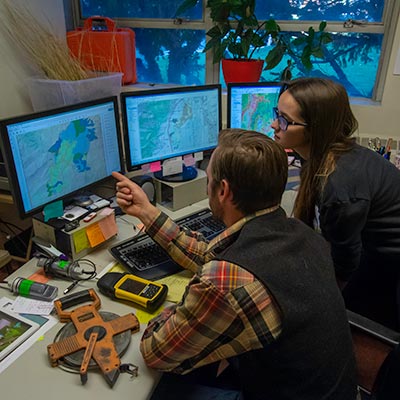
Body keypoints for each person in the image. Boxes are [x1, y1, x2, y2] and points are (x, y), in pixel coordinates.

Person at [112, 129, 357, 400]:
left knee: (156, 391)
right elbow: (209, 254)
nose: (207, 184)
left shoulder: (226, 283)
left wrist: (181, 305)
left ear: (223, 190)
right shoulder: (299, 233)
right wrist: (147, 212)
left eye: (209, 178)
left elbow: (156, 352)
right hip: (328, 388)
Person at [271, 77, 400, 330]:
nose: (274, 124)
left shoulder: (340, 186)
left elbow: (344, 266)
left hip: (387, 268)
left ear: (314, 130)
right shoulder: (326, 156)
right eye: (277, 113)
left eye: (285, 120)